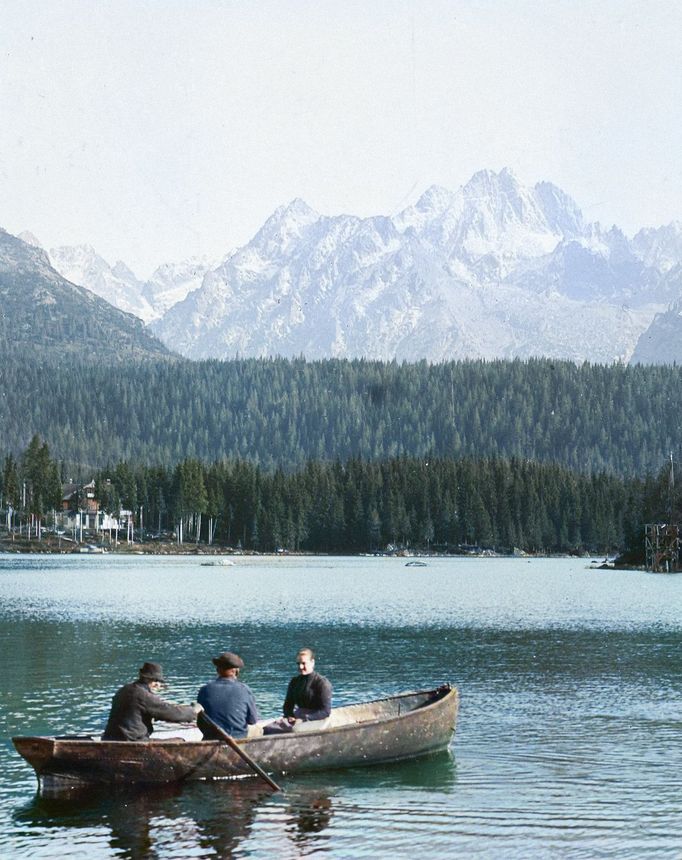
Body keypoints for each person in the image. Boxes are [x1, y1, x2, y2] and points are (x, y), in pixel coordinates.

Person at [102, 661, 202, 741]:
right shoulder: (143, 695)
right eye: (156, 681)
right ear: (149, 680)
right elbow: (172, 713)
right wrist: (193, 711)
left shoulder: (124, 690)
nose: (159, 685)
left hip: (110, 739)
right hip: (132, 741)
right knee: (180, 741)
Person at [263, 648, 332, 734]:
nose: (300, 667)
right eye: (298, 664)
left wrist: (305, 718)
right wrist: (289, 716)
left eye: (303, 663)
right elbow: (288, 705)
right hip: (298, 717)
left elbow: (325, 711)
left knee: (295, 730)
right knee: (268, 728)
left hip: (317, 719)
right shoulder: (295, 682)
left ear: (312, 662)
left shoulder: (322, 683)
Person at [196, 651, 260, 739]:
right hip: (237, 739)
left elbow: (200, 722)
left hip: (211, 738)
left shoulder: (204, 690)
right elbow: (252, 721)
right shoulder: (244, 689)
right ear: (236, 671)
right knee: (258, 730)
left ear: (217, 670)